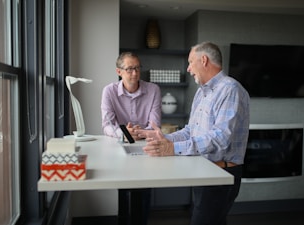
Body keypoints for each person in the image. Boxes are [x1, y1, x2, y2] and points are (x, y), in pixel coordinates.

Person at [137, 42, 250, 225]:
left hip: (220, 173)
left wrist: (172, 148)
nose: (188, 69)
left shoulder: (230, 89)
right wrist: (164, 138)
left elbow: (220, 138)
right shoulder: (201, 93)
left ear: (203, 60)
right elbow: (191, 130)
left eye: (190, 62)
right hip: (204, 169)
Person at [100, 52, 162, 225]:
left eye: (137, 68)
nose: (135, 73)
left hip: (145, 147)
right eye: (129, 69)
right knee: (123, 194)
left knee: (143, 194)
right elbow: (107, 125)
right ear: (119, 71)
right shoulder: (109, 91)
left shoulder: (153, 90)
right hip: (119, 149)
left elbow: (155, 124)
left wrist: (137, 133)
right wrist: (124, 134)